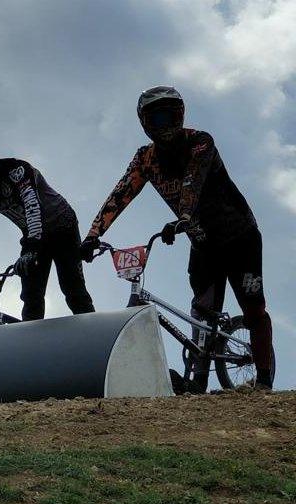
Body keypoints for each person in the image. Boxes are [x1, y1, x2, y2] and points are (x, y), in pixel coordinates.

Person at [80, 85, 275, 390]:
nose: (165, 125)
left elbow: (192, 181)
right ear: (145, 123)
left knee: (253, 308)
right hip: (203, 243)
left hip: (240, 238)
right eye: (157, 119)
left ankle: (263, 379)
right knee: (202, 309)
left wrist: (183, 217)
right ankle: (197, 381)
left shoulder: (200, 142)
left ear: (181, 116)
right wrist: (93, 235)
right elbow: (121, 193)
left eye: (170, 116)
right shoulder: (146, 159)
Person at [0, 143, 95, 321]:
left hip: (62, 227)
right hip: (32, 234)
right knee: (30, 294)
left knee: (73, 288)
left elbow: (32, 206)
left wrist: (31, 249)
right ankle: (31, 338)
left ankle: (90, 325)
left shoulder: (17, 170)